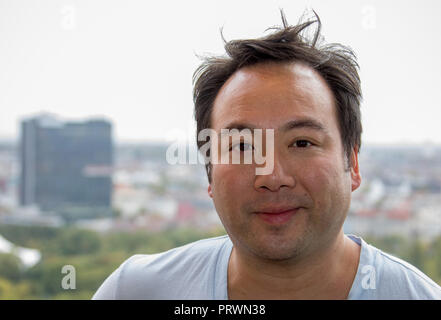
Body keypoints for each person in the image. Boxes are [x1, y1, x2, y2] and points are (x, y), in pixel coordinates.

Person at [93, 10, 441, 300]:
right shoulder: (136, 292)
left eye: (301, 143)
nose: (272, 176)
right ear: (210, 173)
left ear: (352, 163)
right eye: (242, 147)